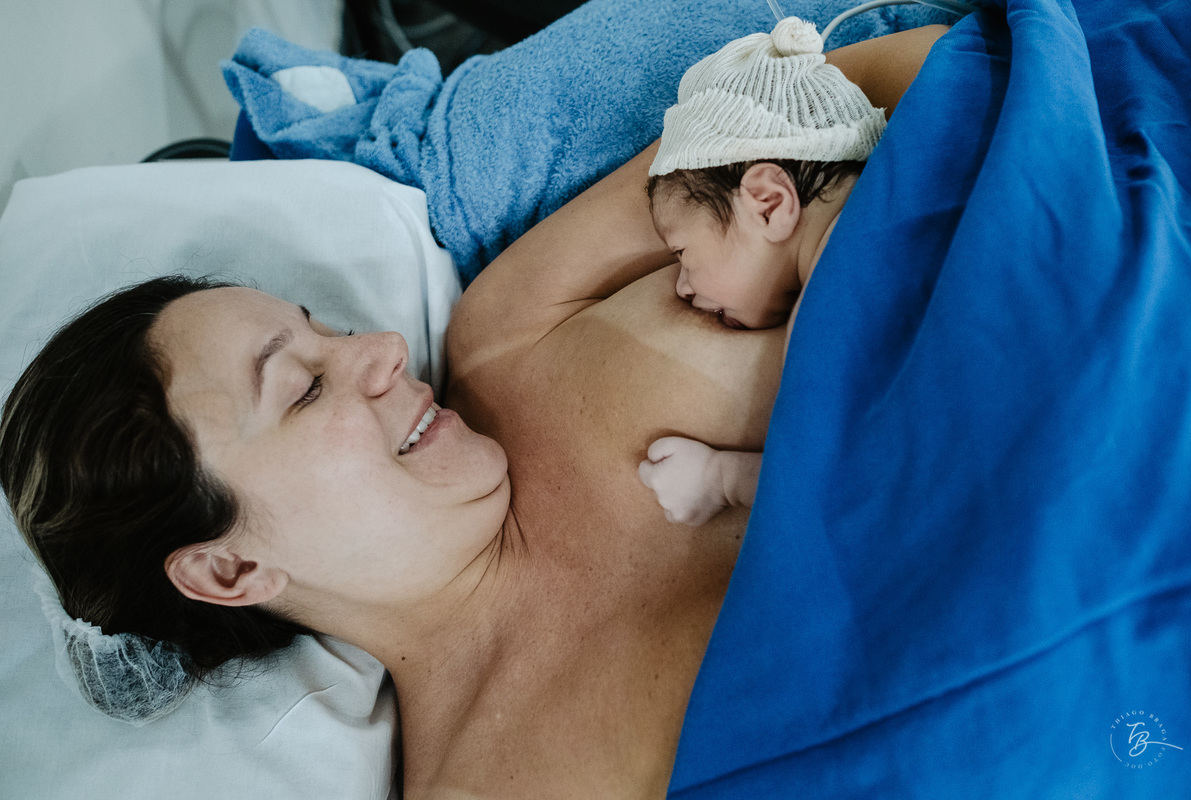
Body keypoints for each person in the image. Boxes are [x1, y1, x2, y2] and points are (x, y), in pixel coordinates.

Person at [0, 24, 947, 799]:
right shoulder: (490, 784)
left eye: (322, 326)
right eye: (303, 387)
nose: (382, 350)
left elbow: (840, 88)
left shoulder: (514, 329)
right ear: (230, 565)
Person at [637, 16, 890, 527]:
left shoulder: (831, 300)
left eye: (682, 253)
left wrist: (721, 478)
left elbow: (856, 479)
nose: (681, 288)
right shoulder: (891, 200)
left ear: (768, 204)